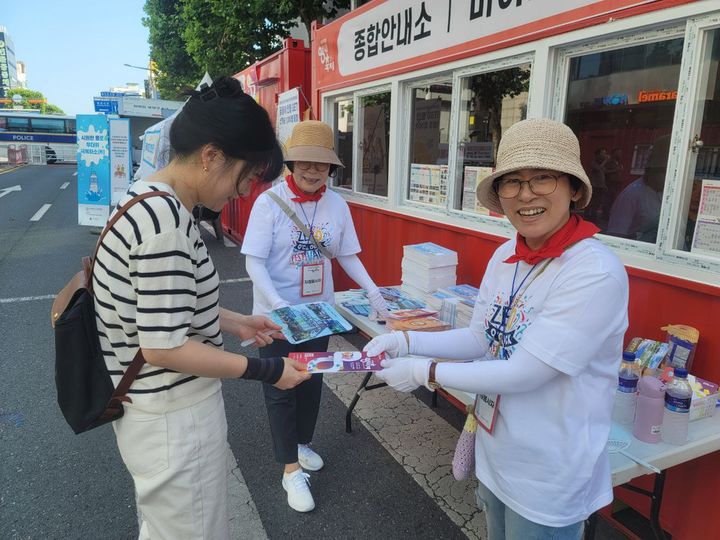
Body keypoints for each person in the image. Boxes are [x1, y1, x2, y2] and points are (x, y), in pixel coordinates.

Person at [365, 118, 629, 540]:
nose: (526, 195)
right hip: (497, 453)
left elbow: (527, 372)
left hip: (548, 477)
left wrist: (422, 371)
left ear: (574, 189)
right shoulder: (507, 253)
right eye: (512, 182)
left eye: (542, 179)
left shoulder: (594, 271)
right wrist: (404, 338)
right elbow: (480, 338)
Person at [92, 76, 310, 540]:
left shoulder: (143, 198)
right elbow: (164, 347)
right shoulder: (166, 224)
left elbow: (169, 307)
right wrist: (268, 371)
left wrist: (239, 322)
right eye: (246, 176)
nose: (246, 191)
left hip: (154, 412)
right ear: (211, 156)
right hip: (173, 417)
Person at [241, 120, 389, 512]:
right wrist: (277, 303)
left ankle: (301, 443)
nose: (311, 171)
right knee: (280, 389)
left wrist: (372, 289)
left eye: (320, 165)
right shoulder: (268, 203)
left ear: (331, 169)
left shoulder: (336, 205)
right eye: (304, 162)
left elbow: (346, 254)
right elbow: (254, 263)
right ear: (291, 163)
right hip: (274, 318)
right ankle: (290, 470)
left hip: (319, 315)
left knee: (311, 382)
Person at [607, 135, 670, 243]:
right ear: (652, 172)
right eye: (665, 173)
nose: (669, 179)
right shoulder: (632, 194)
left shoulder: (665, 193)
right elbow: (615, 235)